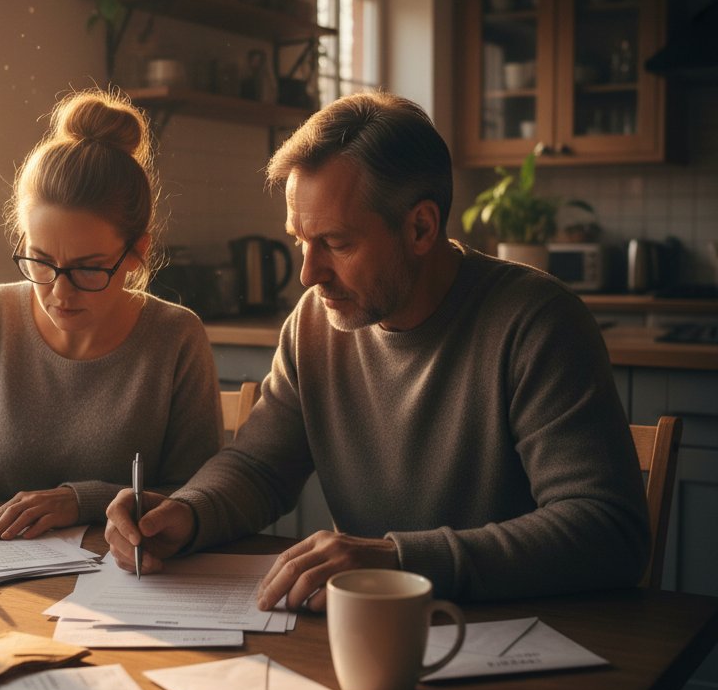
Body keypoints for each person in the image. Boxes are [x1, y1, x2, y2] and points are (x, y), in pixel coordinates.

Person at [105, 90, 649, 607]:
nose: (307, 274)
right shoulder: (313, 326)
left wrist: (398, 559)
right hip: (367, 632)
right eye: (299, 239)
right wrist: (187, 513)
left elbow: (607, 530)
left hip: (526, 642)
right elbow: (258, 467)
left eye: (336, 244)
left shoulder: (536, 323)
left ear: (420, 227)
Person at [0, 88, 223, 541]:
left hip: (126, 584)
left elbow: (198, 496)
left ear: (136, 252)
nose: (59, 291)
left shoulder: (175, 337)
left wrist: (81, 501)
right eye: (40, 260)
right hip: (1, 586)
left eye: (89, 268)